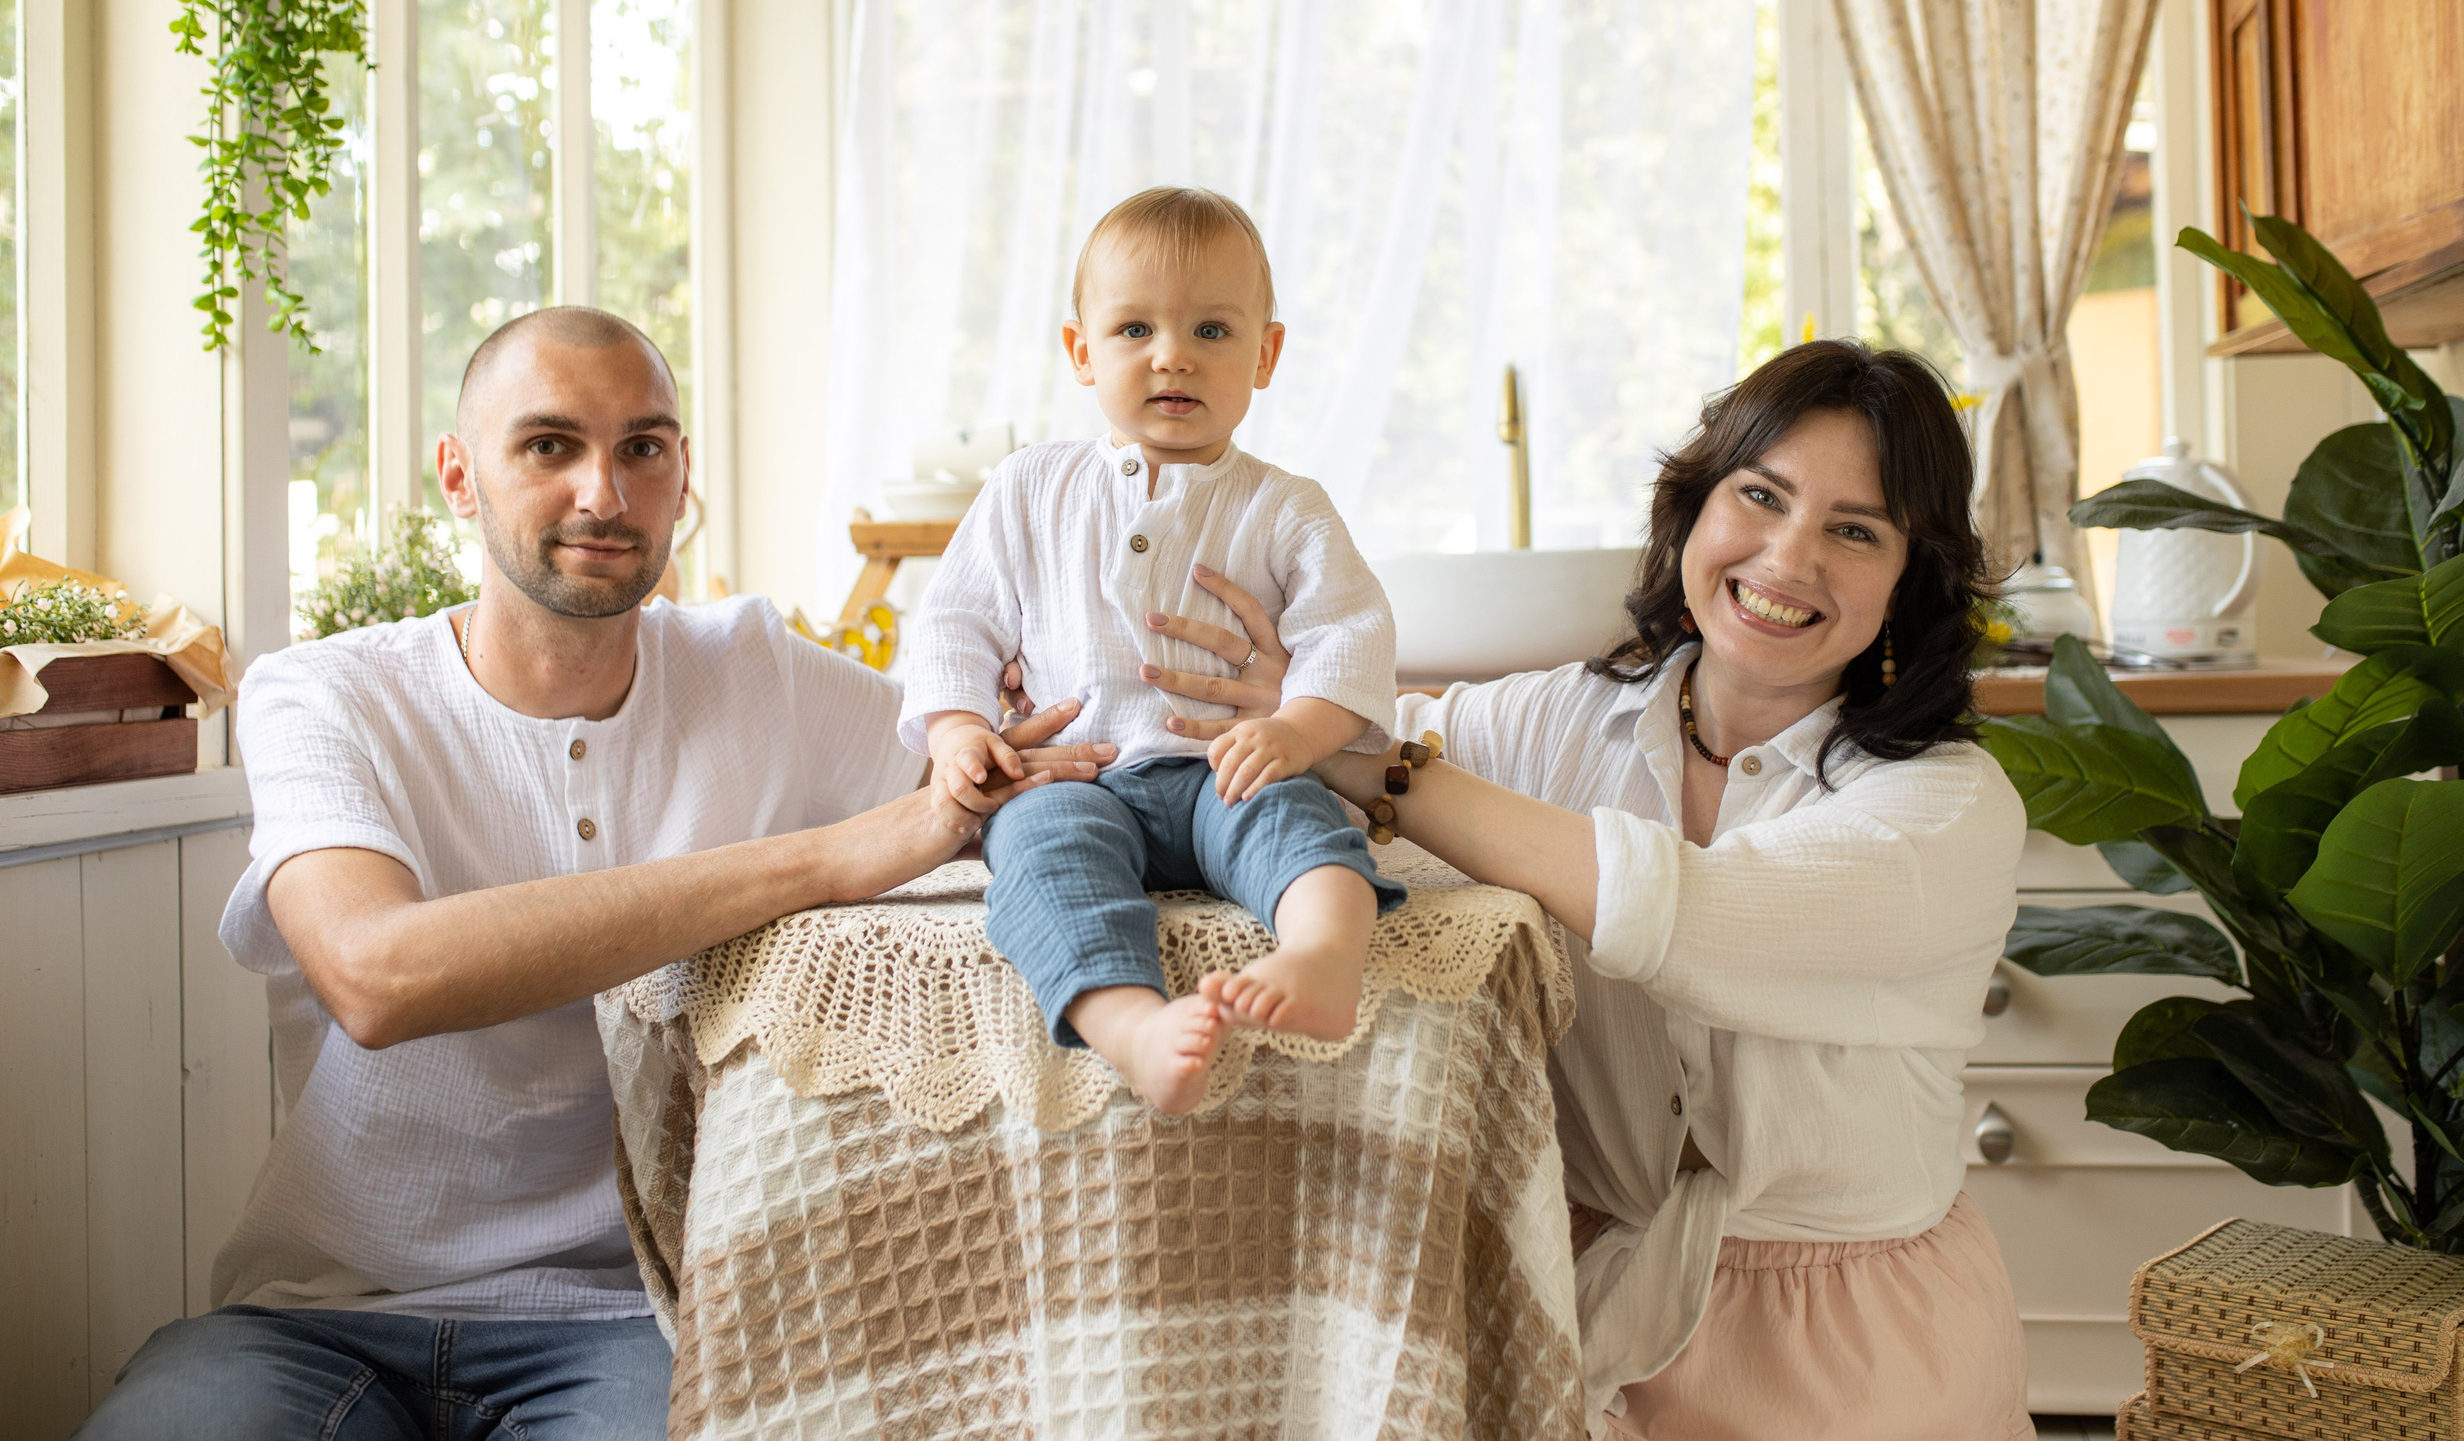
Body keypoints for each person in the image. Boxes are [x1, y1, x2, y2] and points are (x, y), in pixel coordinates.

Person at [77, 307, 1111, 1440]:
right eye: (548, 446)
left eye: (643, 448)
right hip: (319, 1318)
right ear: (458, 477)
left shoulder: (757, 670)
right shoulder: (323, 693)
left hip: (638, 1320)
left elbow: (1044, 770)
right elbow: (376, 976)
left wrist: (1305, 721)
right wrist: (823, 858)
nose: (604, 495)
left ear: (681, 480)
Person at [1159, 341, 2035, 1439]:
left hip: (1852, 1341)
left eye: (1854, 531)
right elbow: (1369, 746)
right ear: (1692, 510)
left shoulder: (1948, 806)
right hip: (1590, 1310)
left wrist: (1375, 768)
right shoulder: (1560, 719)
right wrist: (1270, 712)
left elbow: (1694, 913)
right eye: (1758, 496)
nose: (1787, 556)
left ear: (1913, 581)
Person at [903, 186, 1405, 1115]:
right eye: (1135, 329)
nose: (1172, 354)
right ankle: (1129, 1022)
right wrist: (959, 728)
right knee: (1039, 854)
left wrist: (1297, 731)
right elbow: (954, 621)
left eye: (1212, 330)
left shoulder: (1284, 504)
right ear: (1081, 351)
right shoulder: (1029, 488)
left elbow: (1351, 633)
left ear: (1267, 353)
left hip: (1228, 767)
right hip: (1078, 779)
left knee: (1300, 824)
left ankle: (1325, 957)